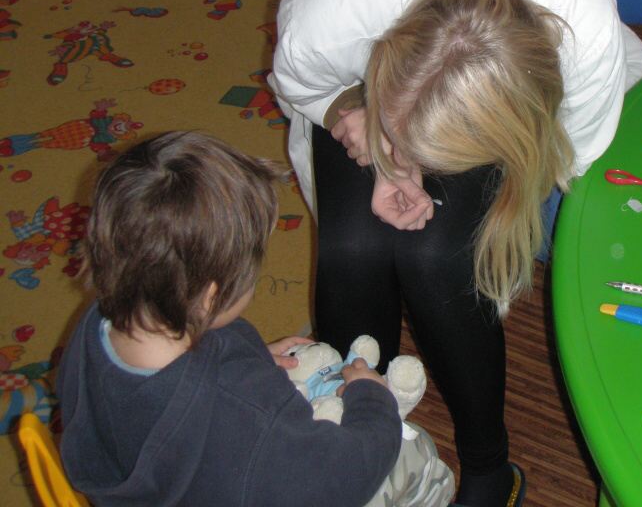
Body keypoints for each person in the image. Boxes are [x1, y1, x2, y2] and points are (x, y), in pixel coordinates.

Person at [271, 0, 642, 507]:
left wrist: (415, 158)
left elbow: (566, 164)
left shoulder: (586, 47)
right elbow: (298, 82)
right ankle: (354, 450)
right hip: (356, 76)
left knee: (437, 255)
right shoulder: (329, 20)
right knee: (353, 247)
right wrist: (356, 119)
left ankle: (487, 464)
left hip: (515, 83)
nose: (410, 165)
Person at [56, 130, 454, 507]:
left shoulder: (103, 321)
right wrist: (372, 399)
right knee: (414, 449)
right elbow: (343, 477)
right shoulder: (248, 422)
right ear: (211, 296)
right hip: (282, 479)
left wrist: (244, 358)